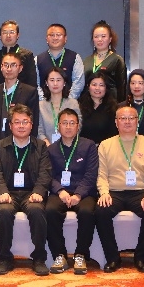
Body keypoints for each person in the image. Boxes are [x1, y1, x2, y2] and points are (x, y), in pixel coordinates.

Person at [95, 104, 144, 273]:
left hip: (140, 192)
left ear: (137, 121)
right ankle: (113, 258)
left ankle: (141, 257)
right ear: (116, 122)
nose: (127, 122)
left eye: (131, 118)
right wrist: (104, 193)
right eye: (122, 118)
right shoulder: (105, 145)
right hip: (114, 192)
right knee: (101, 210)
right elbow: (102, 174)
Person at [0, 104, 51, 276]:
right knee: (4, 211)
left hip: (31, 193)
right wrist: (2, 192)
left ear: (31, 125)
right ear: (10, 125)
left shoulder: (40, 146)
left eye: (25, 122)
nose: (21, 126)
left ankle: (39, 258)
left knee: (37, 210)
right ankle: (5, 258)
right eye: (17, 122)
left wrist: (38, 192)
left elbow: (45, 173)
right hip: (8, 193)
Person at [44, 108, 99, 275]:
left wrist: (78, 194)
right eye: (64, 123)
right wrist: (60, 191)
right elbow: (48, 175)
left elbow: (91, 174)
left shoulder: (89, 146)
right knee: (50, 210)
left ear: (78, 126)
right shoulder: (51, 149)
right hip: (60, 192)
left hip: (84, 192)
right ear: (58, 126)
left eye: (72, 123)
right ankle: (59, 255)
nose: (68, 127)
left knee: (87, 211)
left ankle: (80, 255)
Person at [0, 51, 40, 139]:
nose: (9, 69)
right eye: (6, 65)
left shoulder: (29, 92)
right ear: (1, 67)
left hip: (20, 140)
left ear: (20, 68)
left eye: (13, 65)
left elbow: (34, 122)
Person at [37, 23, 84, 100]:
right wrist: (45, 102)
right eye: (52, 35)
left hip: (69, 104)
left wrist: (67, 102)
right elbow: (36, 84)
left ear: (65, 38)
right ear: (47, 39)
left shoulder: (75, 58)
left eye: (58, 35)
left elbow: (78, 83)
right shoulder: (38, 60)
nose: (55, 38)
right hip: (45, 104)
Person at [84, 20, 127, 102]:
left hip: (110, 104)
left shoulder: (117, 60)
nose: (99, 39)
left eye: (103, 36)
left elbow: (121, 88)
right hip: (89, 103)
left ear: (110, 39)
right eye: (96, 36)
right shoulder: (87, 60)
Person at [37, 66, 81, 144]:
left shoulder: (73, 104)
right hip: (47, 147)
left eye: (58, 80)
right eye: (52, 80)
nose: (55, 83)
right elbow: (39, 131)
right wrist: (48, 146)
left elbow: (78, 127)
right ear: (46, 83)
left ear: (64, 83)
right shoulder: (41, 106)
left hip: (70, 146)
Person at [0, 20, 36, 89]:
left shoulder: (27, 55)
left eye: (12, 32)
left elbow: (32, 83)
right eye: (5, 32)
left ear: (18, 35)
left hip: (23, 94)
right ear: (0, 36)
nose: (8, 36)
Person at [78, 71, 118, 143]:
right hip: (83, 148)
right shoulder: (79, 106)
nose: (97, 88)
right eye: (94, 85)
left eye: (101, 85)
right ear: (88, 87)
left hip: (105, 147)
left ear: (106, 88)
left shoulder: (113, 108)